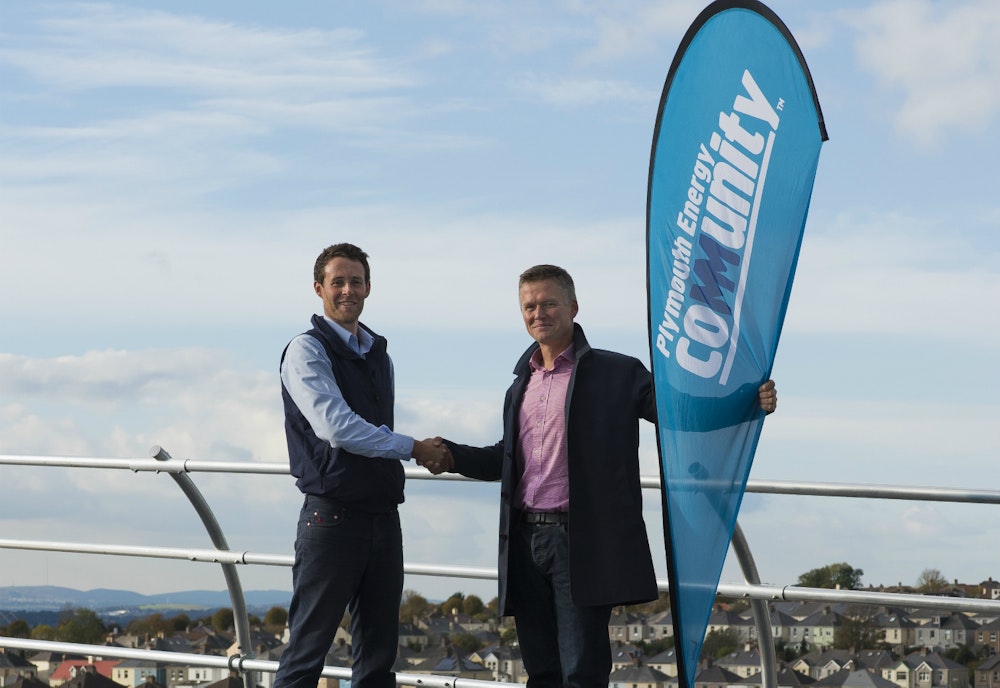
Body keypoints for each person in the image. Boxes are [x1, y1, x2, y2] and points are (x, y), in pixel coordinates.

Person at [421, 264, 776, 688]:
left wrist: (745, 400)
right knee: (542, 673)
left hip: (581, 542)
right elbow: (506, 460)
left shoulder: (618, 372)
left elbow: (679, 411)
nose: (538, 314)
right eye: (529, 306)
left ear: (573, 306)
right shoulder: (520, 386)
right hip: (523, 541)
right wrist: (451, 456)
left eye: (549, 303)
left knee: (582, 672)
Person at [274, 243, 448, 688]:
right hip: (331, 517)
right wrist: (415, 448)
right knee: (306, 653)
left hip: (383, 516)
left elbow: (372, 429)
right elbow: (337, 428)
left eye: (356, 281)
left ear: (369, 287)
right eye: (338, 282)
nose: (348, 290)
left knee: (378, 658)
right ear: (319, 289)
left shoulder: (378, 355)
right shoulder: (306, 350)